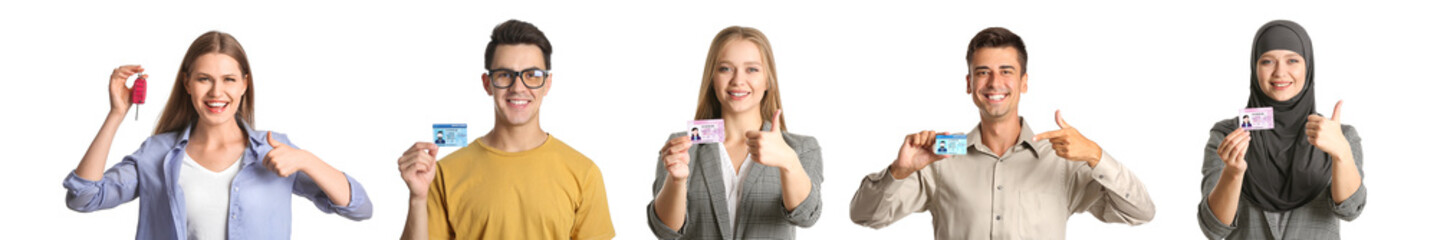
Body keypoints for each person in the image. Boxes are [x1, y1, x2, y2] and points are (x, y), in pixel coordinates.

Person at [848, 27, 1155, 239]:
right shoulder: (938, 160)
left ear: (1023, 82)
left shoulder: (1062, 160)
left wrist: (1095, 156)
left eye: (1006, 71)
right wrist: (898, 172)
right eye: (983, 72)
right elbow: (864, 216)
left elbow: (1141, 212)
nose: (995, 83)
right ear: (970, 84)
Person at [63, 31, 372, 240]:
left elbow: (359, 207)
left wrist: (306, 161)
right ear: (187, 83)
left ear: (244, 84)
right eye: (203, 79)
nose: (216, 92)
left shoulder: (274, 150)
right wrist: (117, 113)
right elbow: (84, 197)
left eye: (228, 79)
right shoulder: (156, 154)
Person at [397, 19, 614, 240]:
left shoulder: (584, 173)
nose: (518, 87)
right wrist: (418, 199)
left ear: (547, 84)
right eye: (504, 74)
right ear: (487, 83)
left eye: (532, 75)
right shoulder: (444, 173)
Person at [646, 26, 823, 239]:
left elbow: (806, 217)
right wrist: (676, 181)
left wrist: (789, 163)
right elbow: (665, 231)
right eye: (725, 69)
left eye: (752, 69)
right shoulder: (682, 147)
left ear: (768, 80)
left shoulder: (801, 149)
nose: (738, 80)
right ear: (712, 78)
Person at [1197, 20, 1365, 240]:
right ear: (1254, 68)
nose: (1279, 72)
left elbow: (1351, 211)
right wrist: (1233, 173)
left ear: (1309, 67)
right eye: (1267, 61)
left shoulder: (1338, 137)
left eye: (1292, 60)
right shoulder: (1227, 135)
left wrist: (1341, 154)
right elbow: (1213, 229)